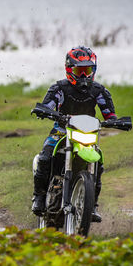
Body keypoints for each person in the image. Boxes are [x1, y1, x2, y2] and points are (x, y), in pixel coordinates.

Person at [32, 46, 117, 222]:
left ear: (94, 70)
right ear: (70, 69)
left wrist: (115, 121)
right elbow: (47, 106)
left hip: (87, 132)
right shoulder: (59, 88)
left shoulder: (99, 91)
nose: (84, 76)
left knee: (98, 161)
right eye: (80, 71)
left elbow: (109, 113)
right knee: (45, 157)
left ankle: (92, 205)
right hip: (61, 131)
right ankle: (38, 197)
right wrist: (45, 111)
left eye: (88, 70)